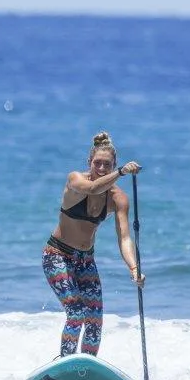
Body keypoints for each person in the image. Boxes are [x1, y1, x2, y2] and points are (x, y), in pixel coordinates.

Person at [42, 131, 144, 358]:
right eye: (97, 163)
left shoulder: (118, 198)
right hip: (57, 255)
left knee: (95, 320)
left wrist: (134, 268)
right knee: (76, 312)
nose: (101, 168)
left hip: (85, 261)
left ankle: (87, 368)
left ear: (113, 164)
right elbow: (93, 188)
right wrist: (121, 172)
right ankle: (66, 363)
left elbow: (124, 237)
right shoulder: (76, 180)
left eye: (107, 164)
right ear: (89, 163)